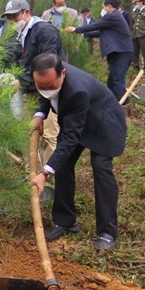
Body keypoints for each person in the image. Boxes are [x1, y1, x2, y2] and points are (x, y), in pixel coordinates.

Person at [30, 53, 126, 251]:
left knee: (101, 169)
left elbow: (70, 138)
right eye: (41, 86)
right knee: (63, 165)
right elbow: (46, 94)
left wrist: (45, 173)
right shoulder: (47, 72)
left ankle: (107, 233)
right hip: (78, 117)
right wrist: (40, 114)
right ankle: (66, 221)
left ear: (63, 74)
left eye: (50, 86)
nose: (46, 90)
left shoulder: (77, 90)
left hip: (103, 123)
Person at [2, 0, 64, 165]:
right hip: (30, 91)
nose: (12, 21)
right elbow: (17, 58)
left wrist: (20, 81)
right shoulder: (21, 35)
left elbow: (48, 64)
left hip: (50, 91)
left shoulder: (44, 31)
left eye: (15, 16)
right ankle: (33, 177)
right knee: (30, 134)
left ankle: (49, 180)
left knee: (50, 135)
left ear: (26, 12)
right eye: (9, 18)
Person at [65, 0, 134, 103]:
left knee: (118, 79)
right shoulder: (114, 17)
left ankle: (123, 103)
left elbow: (95, 26)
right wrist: (82, 34)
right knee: (112, 80)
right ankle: (111, 101)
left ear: (109, 6)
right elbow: (100, 32)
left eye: (103, 7)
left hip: (122, 52)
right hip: (117, 52)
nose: (103, 9)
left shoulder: (112, 16)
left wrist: (76, 29)